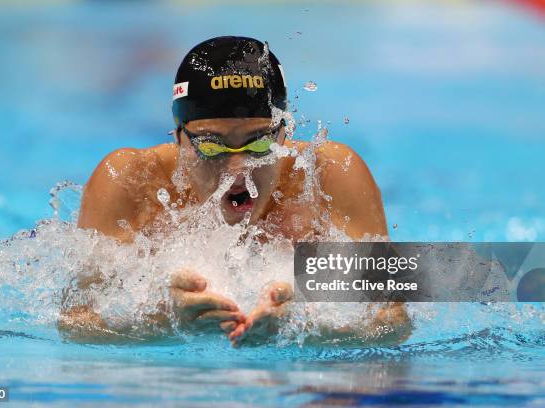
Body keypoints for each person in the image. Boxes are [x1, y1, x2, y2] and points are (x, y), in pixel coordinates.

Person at [59, 36, 410, 346]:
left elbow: (393, 320)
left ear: (283, 134)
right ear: (179, 136)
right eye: (212, 146)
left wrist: (305, 327)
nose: (237, 169)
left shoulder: (329, 176)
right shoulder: (131, 181)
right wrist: (163, 322)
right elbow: (75, 323)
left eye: (258, 145)